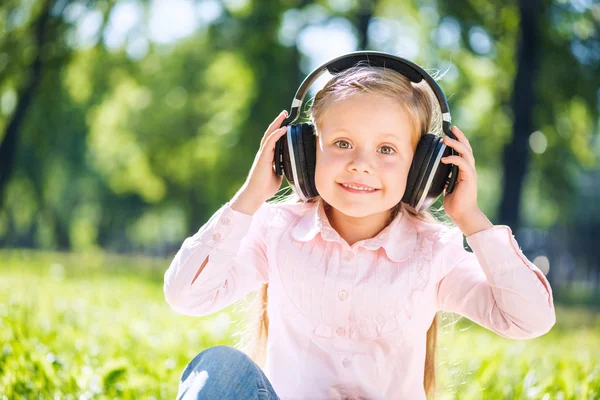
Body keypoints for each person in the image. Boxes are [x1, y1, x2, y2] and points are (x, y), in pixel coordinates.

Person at [163, 56, 556, 400]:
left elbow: (530, 320)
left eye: (387, 149)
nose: (360, 164)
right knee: (221, 367)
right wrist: (249, 197)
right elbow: (186, 295)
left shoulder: (435, 253)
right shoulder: (276, 232)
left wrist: (471, 219)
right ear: (302, 154)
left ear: (425, 170)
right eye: (341, 143)